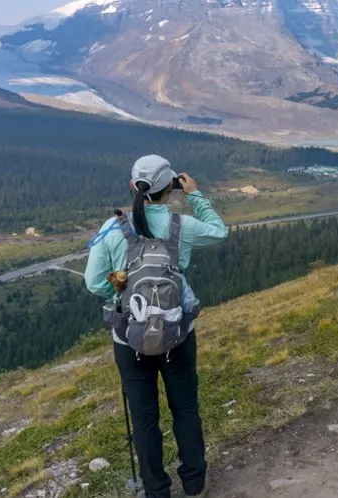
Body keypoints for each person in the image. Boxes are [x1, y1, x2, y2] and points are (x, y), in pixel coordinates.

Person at [84, 154, 228, 498]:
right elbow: (220, 231)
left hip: (129, 338)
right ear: (171, 187)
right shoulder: (181, 225)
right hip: (177, 333)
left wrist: (122, 293)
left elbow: (93, 283)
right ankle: (195, 483)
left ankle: (156, 491)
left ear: (134, 187)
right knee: (185, 409)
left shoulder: (112, 227)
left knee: (145, 419)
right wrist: (195, 195)